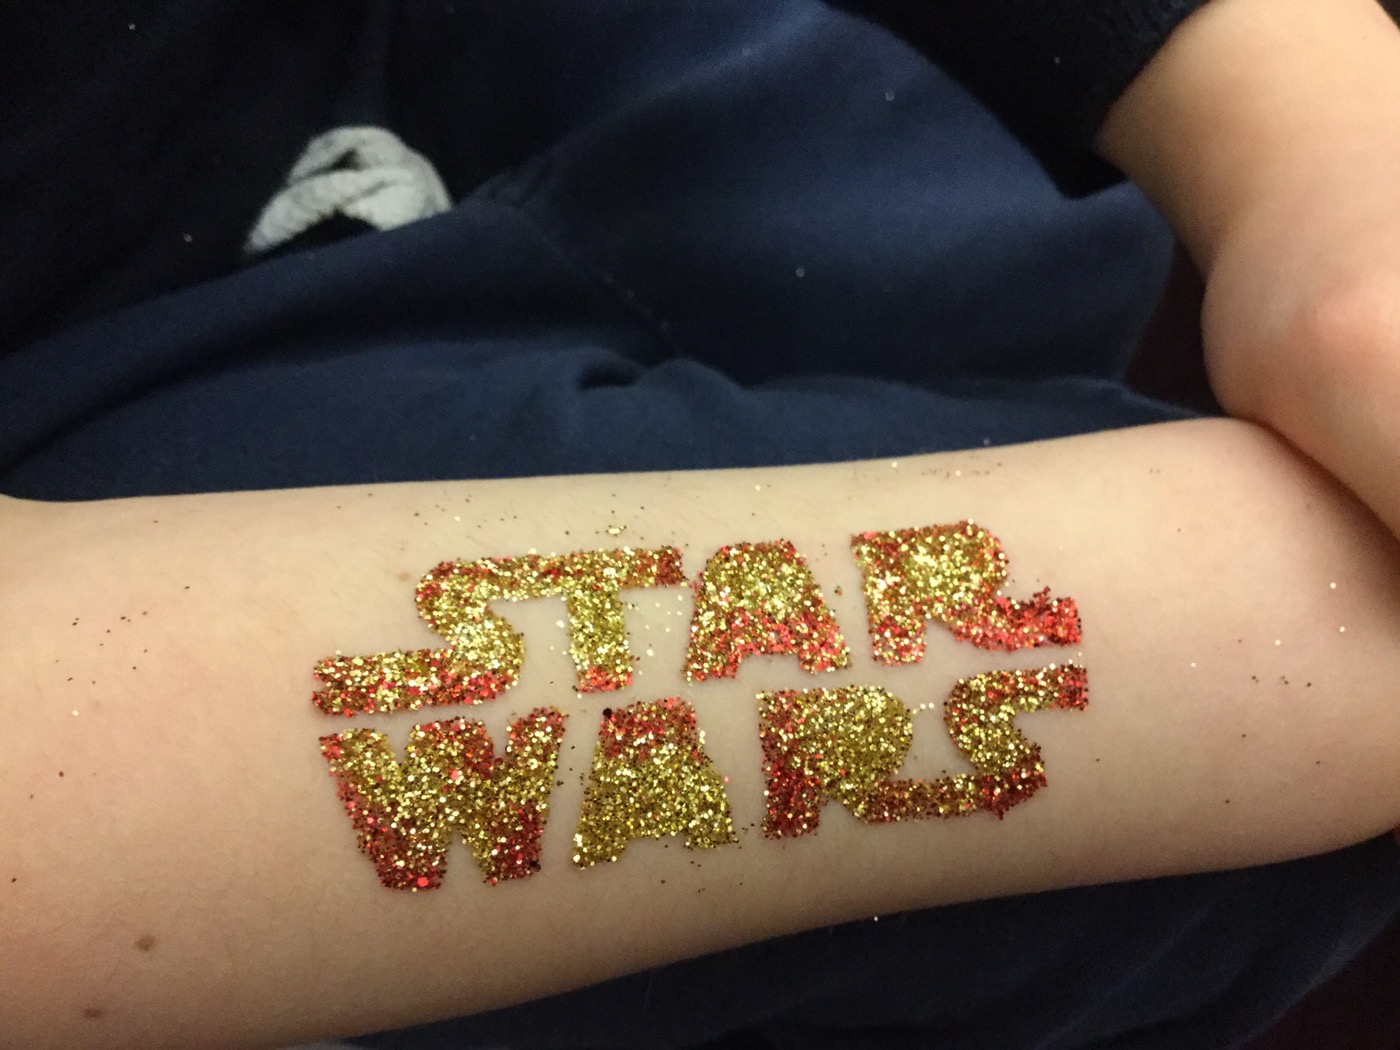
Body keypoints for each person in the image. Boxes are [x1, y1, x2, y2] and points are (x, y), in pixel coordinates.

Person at [2, 2, 1399, 1047]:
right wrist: (1258, 633)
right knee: (1255, 852)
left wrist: (1297, 113)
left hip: (331, 67)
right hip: (102, 606)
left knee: (998, 218)